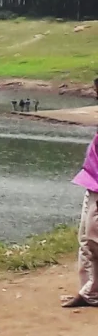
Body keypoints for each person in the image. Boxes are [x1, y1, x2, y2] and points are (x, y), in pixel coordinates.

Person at [63, 97, 98, 309]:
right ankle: (88, 291)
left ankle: (91, 293)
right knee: (85, 239)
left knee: (94, 240)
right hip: (92, 182)